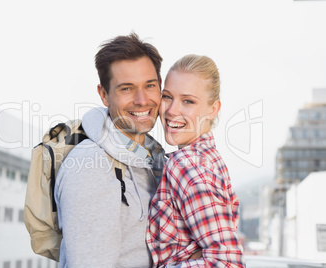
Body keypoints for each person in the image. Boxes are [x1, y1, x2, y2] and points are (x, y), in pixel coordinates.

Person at [54, 33, 167, 267]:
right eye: (127, 88)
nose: (142, 99)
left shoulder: (152, 158)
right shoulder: (92, 165)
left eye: (150, 85)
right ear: (104, 95)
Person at [147, 54, 245, 267]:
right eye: (167, 97)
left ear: (213, 109)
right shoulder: (208, 158)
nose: (172, 110)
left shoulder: (187, 164)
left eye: (188, 101)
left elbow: (228, 263)